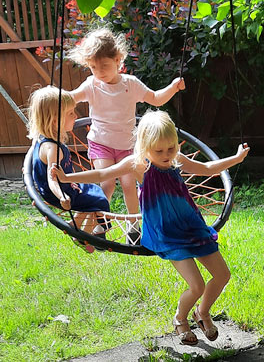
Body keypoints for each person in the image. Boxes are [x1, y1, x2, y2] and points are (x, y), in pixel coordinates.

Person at [51, 110, 250, 345]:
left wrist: (236, 159)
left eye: (171, 148)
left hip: (192, 226)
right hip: (167, 234)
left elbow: (206, 168)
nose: (167, 155)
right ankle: (180, 318)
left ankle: (203, 313)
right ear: (144, 147)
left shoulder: (176, 160)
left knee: (222, 275)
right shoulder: (138, 165)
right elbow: (103, 172)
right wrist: (65, 178)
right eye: (159, 151)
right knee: (195, 285)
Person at [67, 27, 185, 244]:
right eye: (93, 67)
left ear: (118, 59)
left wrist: (173, 87)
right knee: (107, 184)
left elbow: (156, 99)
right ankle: (100, 225)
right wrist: (54, 98)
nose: (99, 72)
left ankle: (134, 228)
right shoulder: (91, 85)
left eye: (104, 65)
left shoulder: (130, 85)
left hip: (128, 146)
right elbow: (70, 98)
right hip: (101, 142)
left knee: (130, 185)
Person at [27, 86, 111, 253]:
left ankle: (77, 227)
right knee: (100, 201)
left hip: (63, 185)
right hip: (59, 191)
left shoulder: (41, 138)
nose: (76, 116)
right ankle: (86, 234)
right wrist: (62, 196)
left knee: (94, 192)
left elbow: (34, 160)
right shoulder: (53, 149)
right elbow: (52, 179)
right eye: (71, 113)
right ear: (54, 120)